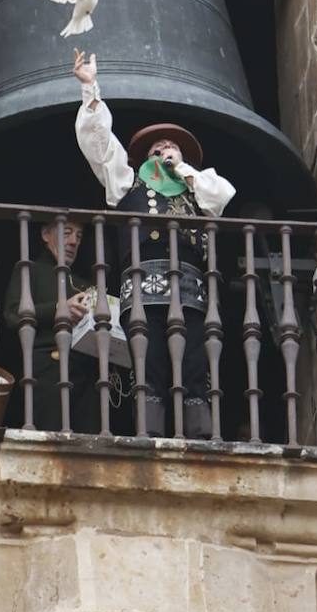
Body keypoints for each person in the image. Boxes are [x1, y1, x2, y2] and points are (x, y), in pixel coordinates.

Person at [73, 50, 235, 439]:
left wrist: (182, 169)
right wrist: (90, 90)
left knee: (194, 362)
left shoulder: (199, 188)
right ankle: (151, 433)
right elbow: (101, 148)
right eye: (157, 149)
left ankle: (197, 433)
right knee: (151, 364)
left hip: (190, 288)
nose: (164, 151)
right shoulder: (128, 182)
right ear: (145, 159)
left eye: (171, 147)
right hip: (143, 286)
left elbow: (223, 194)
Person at [3, 218, 101, 433]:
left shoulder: (86, 284)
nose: (74, 241)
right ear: (46, 235)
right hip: (48, 371)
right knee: (51, 436)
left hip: (85, 377)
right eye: (67, 232)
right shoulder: (31, 270)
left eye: (79, 236)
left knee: (89, 442)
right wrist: (59, 308)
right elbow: (13, 315)